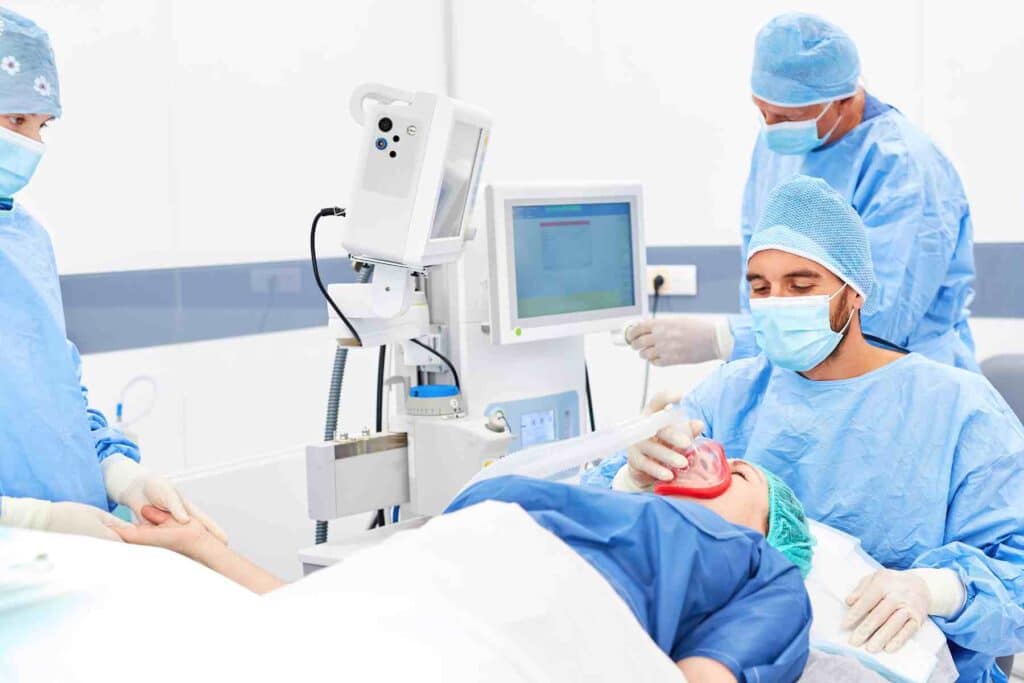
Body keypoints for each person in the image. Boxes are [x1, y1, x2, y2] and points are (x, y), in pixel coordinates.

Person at [592, 175, 1024, 682]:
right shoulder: (732, 392)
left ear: (854, 291)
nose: (777, 302)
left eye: (800, 286)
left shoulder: (958, 410)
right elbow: (602, 522)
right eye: (760, 287)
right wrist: (632, 478)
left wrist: (934, 589)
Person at [117, 463, 815, 683]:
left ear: (767, 518)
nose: (705, 455)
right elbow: (334, 610)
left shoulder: (767, 568)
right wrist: (201, 549)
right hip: (446, 578)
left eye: (741, 469)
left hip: (545, 617)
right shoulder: (578, 494)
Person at [629, 12, 978, 372]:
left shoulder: (904, 167)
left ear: (842, 100)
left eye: (785, 117)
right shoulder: (776, 147)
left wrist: (733, 339)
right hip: (803, 375)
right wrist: (742, 373)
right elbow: (760, 271)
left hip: (903, 377)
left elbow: (879, 317)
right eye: (761, 111)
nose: (770, 127)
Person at [0, 8, 224, 543]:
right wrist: (29, 520)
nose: (33, 144)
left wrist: (119, 474)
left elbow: (54, 403)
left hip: (64, 557)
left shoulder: (24, 239)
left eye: (42, 124)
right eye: (14, 120)